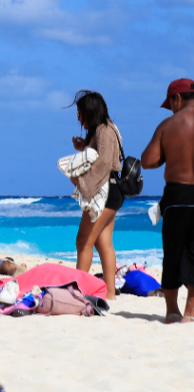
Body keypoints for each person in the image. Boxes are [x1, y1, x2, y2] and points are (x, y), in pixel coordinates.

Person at [141, 78, 194, 322]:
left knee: (172, 254)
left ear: (177, 99)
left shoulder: (168, 125)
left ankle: (172, 311)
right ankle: (191, 313)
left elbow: (147, 161)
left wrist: (169, 153)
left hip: (177, 196)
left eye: (170, 103)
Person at [68, 90, 124, 301]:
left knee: (83, 241)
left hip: (105, 193)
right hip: (112, 192)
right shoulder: (108, 129)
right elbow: (104, 156)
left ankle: (77, 291)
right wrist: (84, 147)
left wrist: (80, 182)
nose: (79, 118)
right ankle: (110, 293)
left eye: (80, 113)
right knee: (104, 243)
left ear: (89, 112)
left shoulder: (103, 130)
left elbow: (103, 164)